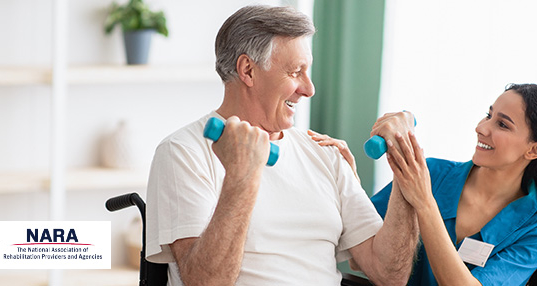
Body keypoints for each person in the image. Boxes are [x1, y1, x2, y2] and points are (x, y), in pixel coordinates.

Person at [143, 5, 419, 286]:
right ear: (248, 70)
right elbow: (204, 282)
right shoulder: (183, 152)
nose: (309, 89)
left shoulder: (323, 152)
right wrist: (242, 177)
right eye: (296, 72)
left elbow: (389, 274)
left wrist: (404, 168)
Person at [313, 84, 537, 285]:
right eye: (488, 114)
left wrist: (424, 202)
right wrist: (350, 183)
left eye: (503, 125)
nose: (481, 128)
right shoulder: (432, 173)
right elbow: (359, 256)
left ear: (534, 150)